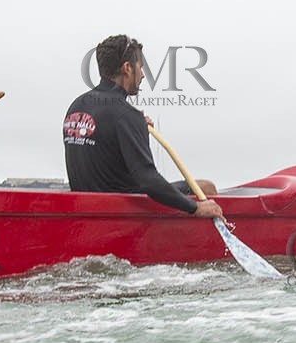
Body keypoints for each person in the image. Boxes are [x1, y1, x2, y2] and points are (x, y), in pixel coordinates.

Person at [63, 34, 223, 218]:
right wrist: (195, 208)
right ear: (127, 68)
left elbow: (103, 154)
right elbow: (148, 180)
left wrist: (137, 131)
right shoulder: (126, 115)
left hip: (85, 211)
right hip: (122, 212)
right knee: (206, 187)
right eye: (141, 67)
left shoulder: (76, 106)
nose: (143, 75)